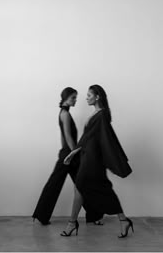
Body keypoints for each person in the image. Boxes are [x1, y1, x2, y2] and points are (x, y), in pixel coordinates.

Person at [60, 85, 133, 238]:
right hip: (88, 157)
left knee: (87, 187)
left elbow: (105, 139)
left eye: (88, 95)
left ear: (97, 96)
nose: (86, 98)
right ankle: (122, 219)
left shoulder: (102, 115)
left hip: (93, 160)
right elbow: (88, 138)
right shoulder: (96, 114)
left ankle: (72, 223)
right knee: (88, 188)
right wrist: (74, 152)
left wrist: (111, 159)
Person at [32, 87, 104, 225]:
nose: (75, 100)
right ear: (65, 98)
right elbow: (68, 137)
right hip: (69, 155)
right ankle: (41, 215)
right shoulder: (64, 114)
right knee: (56, 185)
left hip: (67, 154)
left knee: (81, 185)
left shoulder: (64, 113)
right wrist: (74, 153)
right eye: (73, 98)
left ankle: (94, 216)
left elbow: (63, 138)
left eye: (75, 97)